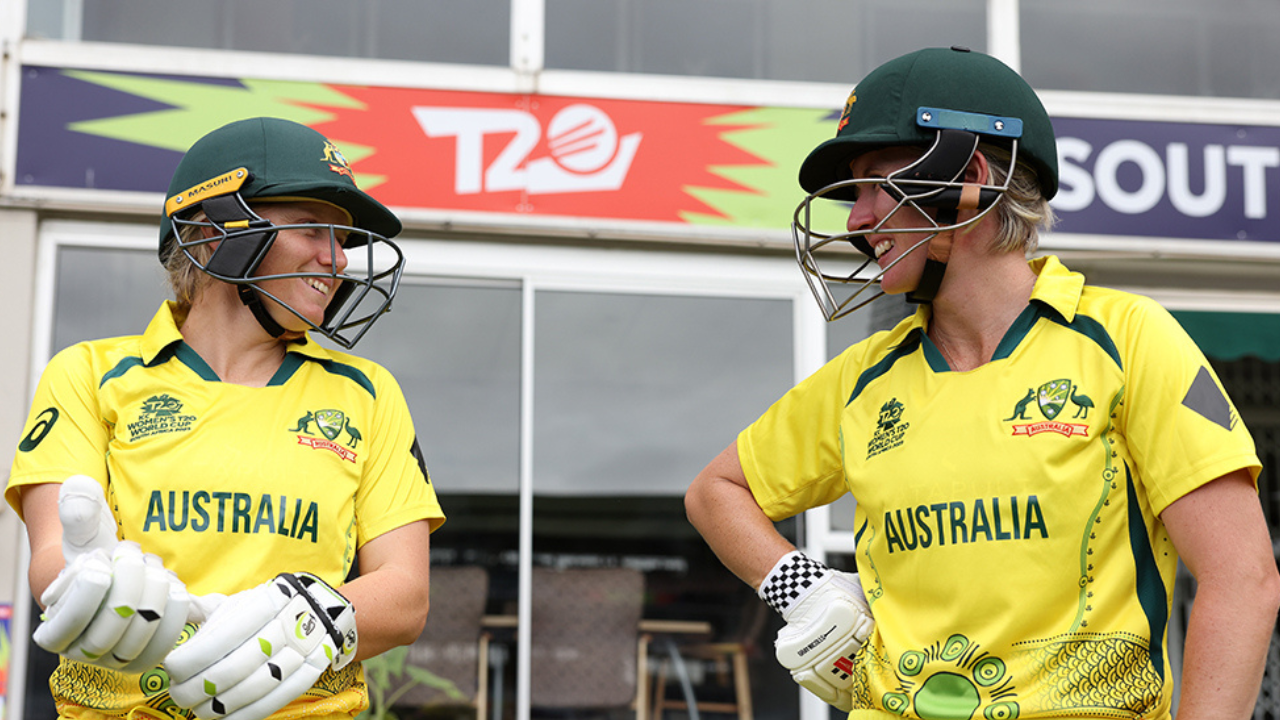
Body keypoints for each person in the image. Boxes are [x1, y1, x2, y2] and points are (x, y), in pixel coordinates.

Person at [686, 46, 1280, 720]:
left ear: (967, 177)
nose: (856, 218)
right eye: (855, 192)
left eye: (878, 182)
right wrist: (807, 592)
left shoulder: (1127, 339)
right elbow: (717, 492)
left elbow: (1243, 579)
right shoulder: (863, 378)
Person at [8, 117, 446, 720]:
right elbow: (54, 553)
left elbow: (405, 597)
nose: (338, 258)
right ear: (212, 232)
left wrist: (312, 619)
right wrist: (91, 584)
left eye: (342, 238)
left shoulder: (365, 393)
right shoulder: (90, 373)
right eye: (313, 228)